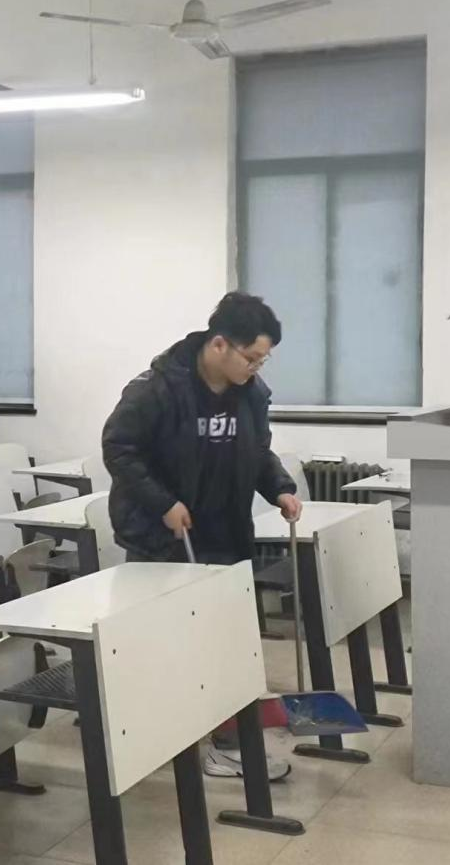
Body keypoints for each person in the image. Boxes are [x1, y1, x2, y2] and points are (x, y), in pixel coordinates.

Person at [102, 291, 303, 779]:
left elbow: (258, 452)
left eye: (263, 360)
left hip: (225, 532)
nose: (256, 368)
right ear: (219, 345)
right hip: (163, 539)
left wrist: (280, 488)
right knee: (168, 646)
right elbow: (119, 449)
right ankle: (165, 743)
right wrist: (163, 504)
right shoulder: (157, 389)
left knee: (223, 644)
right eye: (251, 358)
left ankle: (222, 738)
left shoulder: (250, 394)